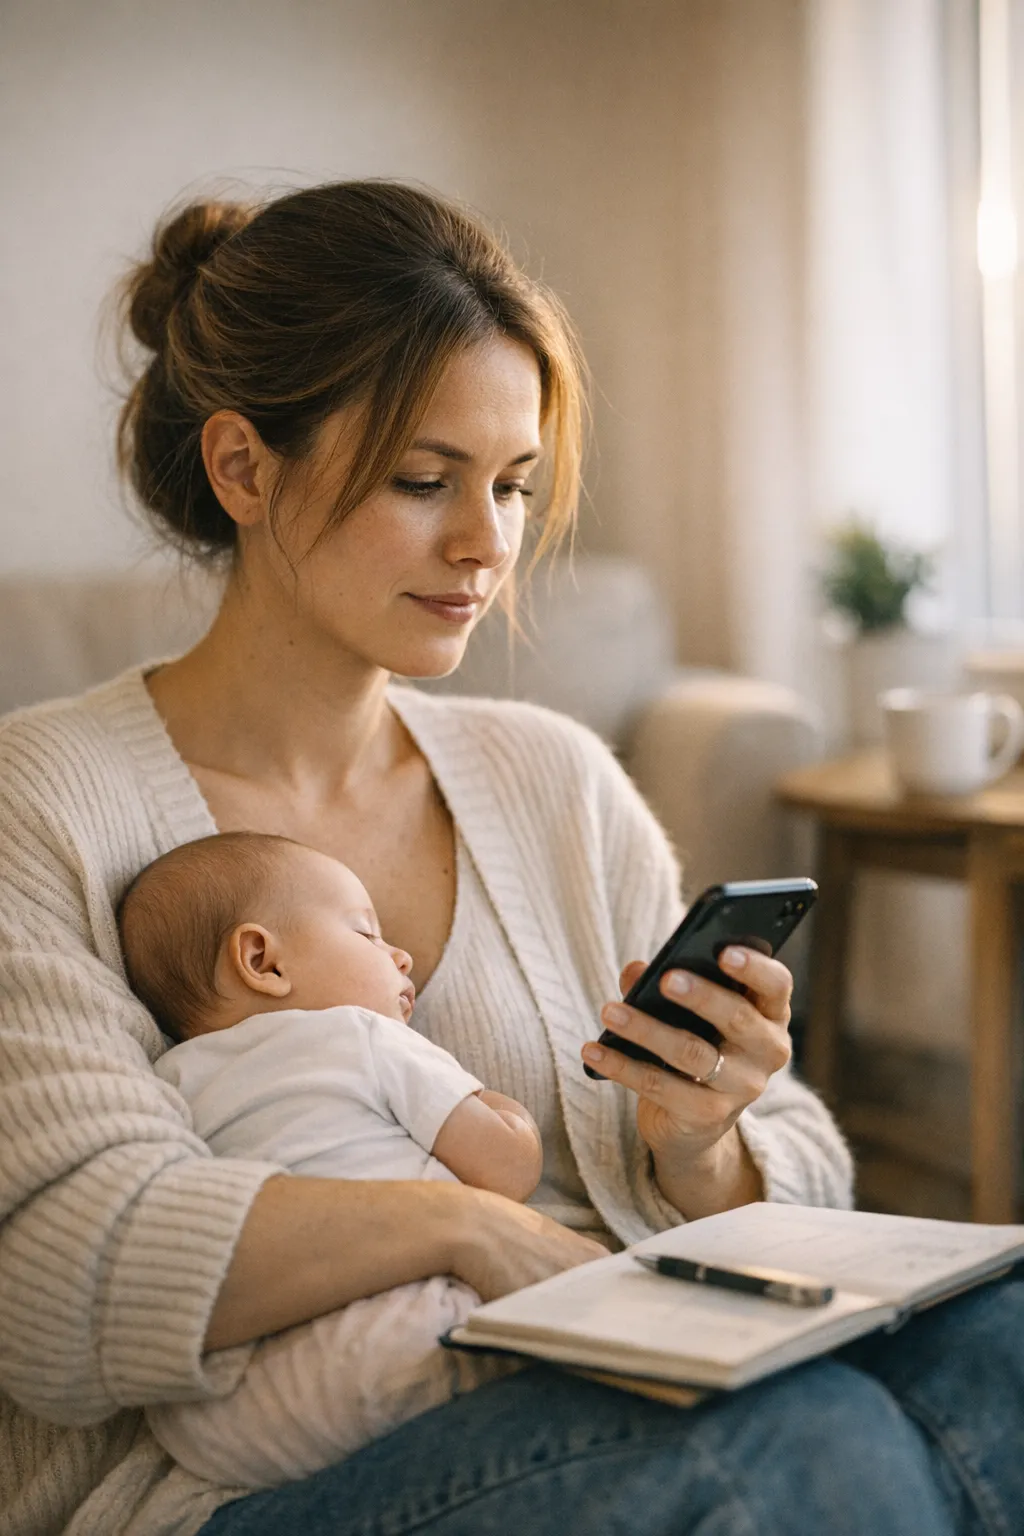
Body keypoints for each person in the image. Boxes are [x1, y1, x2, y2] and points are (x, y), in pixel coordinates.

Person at [0, 178, 1022, 1536]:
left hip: (618, 1378)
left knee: (1002, 1344)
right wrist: (467, 1230)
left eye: (513, 486)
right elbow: (57, 1278)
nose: (486, 545)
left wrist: (700, 1145)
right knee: (791, 1442)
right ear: (242, 468)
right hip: (253, 1486)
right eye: (424, 482)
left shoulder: (556, 779)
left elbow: (805, 1170)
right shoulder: (42, 806)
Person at [118, 829, 537, 1488]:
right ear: (262, 960)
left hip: (224, 1417)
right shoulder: (365, 1034)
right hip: (398, 1333)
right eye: (366, 934)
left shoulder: (170, 1079)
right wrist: (498, 1105)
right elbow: (506, 1171)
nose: (400, 955)